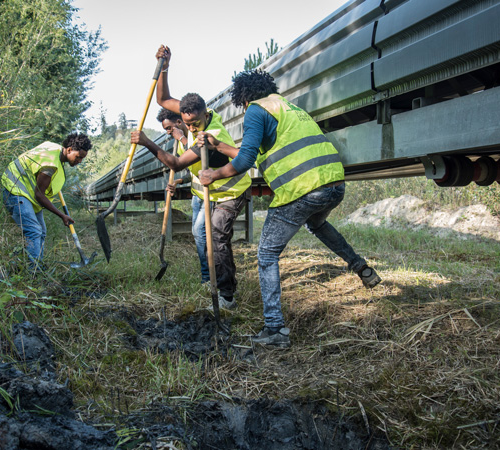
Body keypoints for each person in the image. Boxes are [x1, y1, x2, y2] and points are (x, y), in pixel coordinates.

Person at [198, 69, 381, 348]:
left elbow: (246, 159)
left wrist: (214, 175)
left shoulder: (255, 111)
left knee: (267, 254)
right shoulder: (288, 108)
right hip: (333, 183)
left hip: (303, 189)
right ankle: (361, 267)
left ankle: (274, 328)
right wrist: (220, 146)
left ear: (244, 98)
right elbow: (255, 153)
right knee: (317, 224)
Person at [130, 45, 252, 309]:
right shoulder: (191, 114)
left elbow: (175, 162)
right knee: (201, 231)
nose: (191, 128)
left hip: (232, 192)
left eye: (196, 123)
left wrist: (148, 143)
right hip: (212, 191)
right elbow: (163, 100)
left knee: (217, 235)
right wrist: (165, 67)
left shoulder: (206, 136)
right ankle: (211, 277)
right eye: (187, 123)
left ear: (206, 115)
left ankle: (227, 295)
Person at [1, 133, 92, 270]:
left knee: (41, 231)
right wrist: (62, 215)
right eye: (78, 157)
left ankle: (36, 264)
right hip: (14, 189)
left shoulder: (54, 149)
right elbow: (39, 195)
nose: (79, 161)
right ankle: (33, 272)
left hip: (25, 193)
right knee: (34, 231)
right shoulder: (50, 164)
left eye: (82, 159)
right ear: (68, 150)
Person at [156, 108, 210, 284]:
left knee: (199, 232)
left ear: (179, 123)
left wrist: (182, 138)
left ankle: (208, 278)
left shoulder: (196, 135)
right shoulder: (180, 143)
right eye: (165, 130)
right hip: (197, 194)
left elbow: (202, 157)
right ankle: (206, 275)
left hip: (210, 193)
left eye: (169, 128)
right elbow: (191, 170)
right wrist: (178, 182)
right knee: (198, 234)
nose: (168, 133)